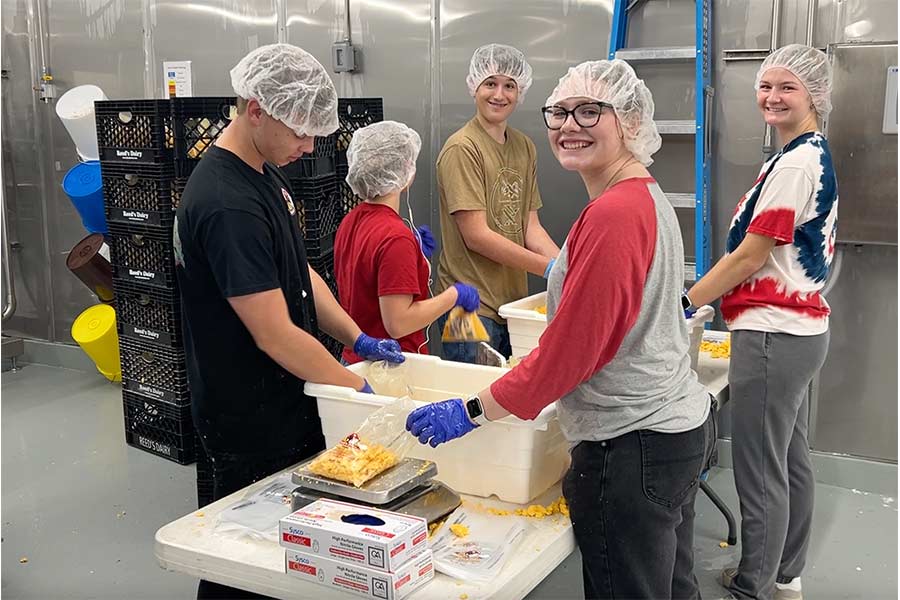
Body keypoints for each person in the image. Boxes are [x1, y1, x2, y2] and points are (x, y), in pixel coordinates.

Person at [407, 59, 716, 600]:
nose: (569, 124)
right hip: (668, 428)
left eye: (590, 111)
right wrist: (567, 270)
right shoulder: (641, 196)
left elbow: (569, 354)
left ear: (630, 122)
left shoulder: (611, 211)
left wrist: (473, 409)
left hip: (630, 443)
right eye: (560, 112)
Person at [173, 44, 404, 599]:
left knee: (288, 553)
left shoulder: (263, 176)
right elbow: (273, 331)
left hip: (284, 398)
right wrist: (359, 391)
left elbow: (298, 269)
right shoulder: (226, 201)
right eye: (301, 130)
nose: (310, 145)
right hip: (247, 412)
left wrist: (357, 337)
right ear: (257, 108)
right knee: (245, 560)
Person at [684, 44, 837, 600]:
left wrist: (685, 301)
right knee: (789, 459)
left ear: (813, 95)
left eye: (787, 88)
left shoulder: (795, 163)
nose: (772, 97)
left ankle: (753, 585)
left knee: (759, 469)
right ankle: (786, 571)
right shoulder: (804, 152)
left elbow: (751, 255)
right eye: (766, 86)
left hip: (774, 335)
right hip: (799, 333)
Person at [436, 43, 559, 363]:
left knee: (507, 406)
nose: (499, 94)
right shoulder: (461, 148)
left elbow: (530, 227)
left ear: (520, 92)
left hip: (513, 308)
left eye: (510, 86)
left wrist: (567, 264)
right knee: (470, 401)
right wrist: (550, 268)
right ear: (474, 87)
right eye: (490, 83)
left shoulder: (524, 146)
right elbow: (476, 236)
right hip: (463, 310)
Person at [334, 120, 480, 363]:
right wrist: (453, 296)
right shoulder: (395, 237)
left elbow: (365, 278)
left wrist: (412, 255)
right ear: (405, 170)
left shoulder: (350, 221)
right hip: (391, 367)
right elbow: (398, 323)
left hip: (354, 360)